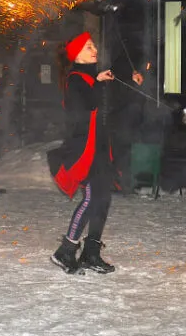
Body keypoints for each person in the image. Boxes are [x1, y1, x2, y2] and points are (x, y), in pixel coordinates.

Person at [50, 32, 142, 274]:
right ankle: (65, 251)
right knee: (91, 199)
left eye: (93, 46)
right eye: (88, 47)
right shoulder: (75, 80)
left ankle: (91, 254)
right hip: (84, 152)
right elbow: (85, 108)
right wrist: (99, 83)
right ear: (77, 55)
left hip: (101, 151)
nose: (94, 50)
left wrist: (132, 82)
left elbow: (113, 105)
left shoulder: (93, 79)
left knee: (103, 200)